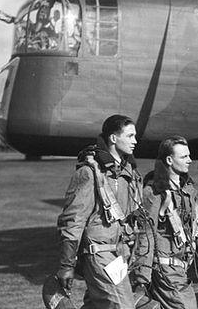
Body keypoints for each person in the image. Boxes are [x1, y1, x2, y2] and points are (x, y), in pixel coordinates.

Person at [56, 114, 144, 308]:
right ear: (113, 138)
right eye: (130, 136)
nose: (135, 141)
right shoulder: (89, 173)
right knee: (123, 306)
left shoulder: (129, 174)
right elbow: (73, 221)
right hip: (99, 254)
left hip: (120, 255)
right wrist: (66, 265)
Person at [133, 135, 198, 309]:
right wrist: (142, 277)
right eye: (184, 157)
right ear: (169, 160)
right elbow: (146, 234)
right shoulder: (154, 192)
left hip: (181, 265)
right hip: (165, 268)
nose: (189, 160)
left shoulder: (187, 188)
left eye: (188, 156)